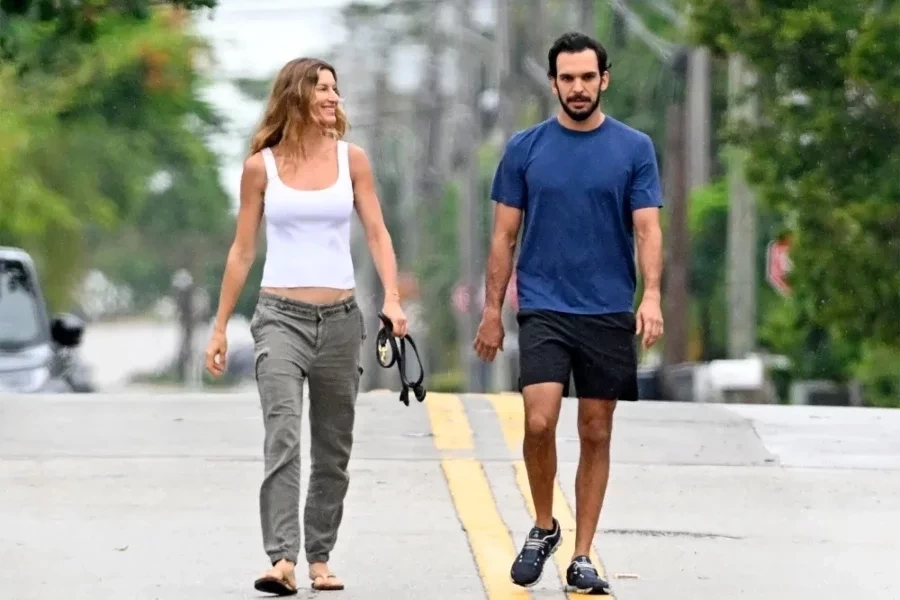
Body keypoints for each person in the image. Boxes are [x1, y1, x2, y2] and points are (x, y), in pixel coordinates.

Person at [204, 57, 408, 595]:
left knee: (333, 448)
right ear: (296, 95)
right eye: (322, 88)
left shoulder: (352, 160)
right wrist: (220, 326)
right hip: (280, 318)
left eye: (335, 89)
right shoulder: (261, 168)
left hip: (340, 321)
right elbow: (242, 251)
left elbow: (378, 233)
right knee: (284, 437)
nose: (333, 97)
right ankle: (282, 559)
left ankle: (319, 557)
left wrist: (392, 297)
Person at [473, 32, 664, 595]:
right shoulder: (525, 148)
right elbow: (503, 236)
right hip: (544, 306)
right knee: (539, 420)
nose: (577, 88)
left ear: (603, 79)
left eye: (586, 77)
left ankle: (582, 554)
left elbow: (648, 228)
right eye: (567, 78)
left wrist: (651, 296)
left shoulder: (634, 148)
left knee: (596, 430)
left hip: (607, 308)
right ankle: (543, 525)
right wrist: (491, 311)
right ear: (553, 83)